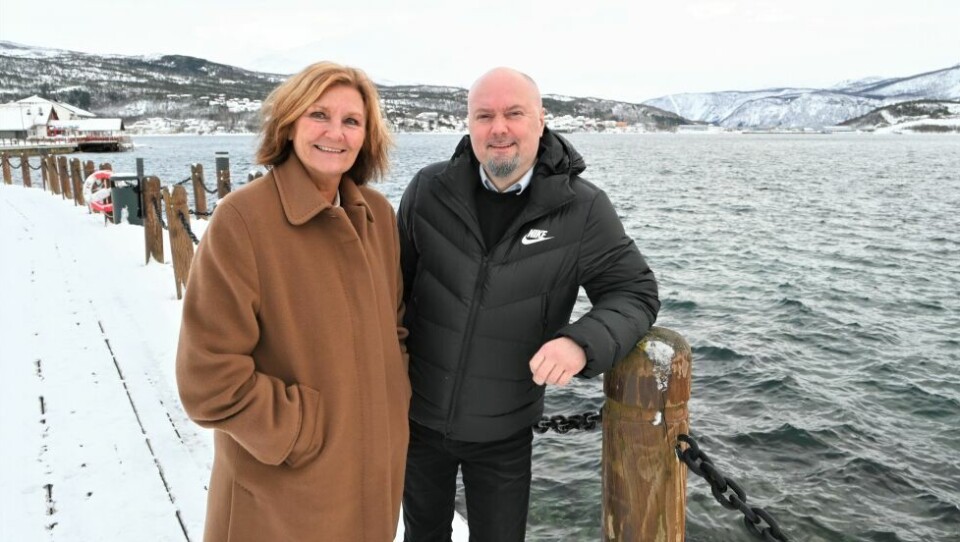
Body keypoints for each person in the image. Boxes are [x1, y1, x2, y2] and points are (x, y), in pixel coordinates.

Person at [397, 67, 660, 541]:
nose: (499, 128)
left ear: (541, 120)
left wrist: (581, 343)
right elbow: (394, 289)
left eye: (514, 113)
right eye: (484, 115)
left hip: (504, 431)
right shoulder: (427, 191)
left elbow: (634, 292)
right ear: (469, 125)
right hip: (418, 419)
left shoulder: (581, 209)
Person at [176, 61, 409, 541]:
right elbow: (208, 378)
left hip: (371, 481)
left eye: (351, 121)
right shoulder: (242, 219)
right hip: (283, 491)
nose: (335, 133)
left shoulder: (378, 217)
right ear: (289, 124)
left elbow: (396, 329)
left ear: (367, 136)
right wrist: (298, 430)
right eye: (318, 115)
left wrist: (392, 404)